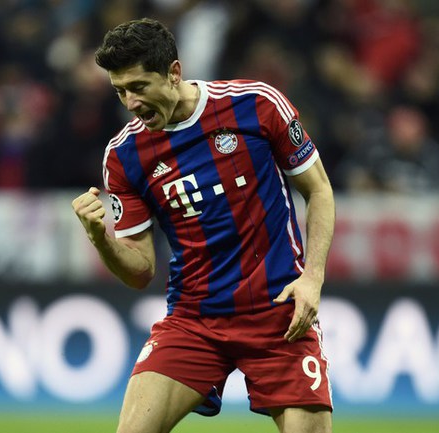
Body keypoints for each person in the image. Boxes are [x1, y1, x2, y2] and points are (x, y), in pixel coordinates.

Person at [71, 18, 335, 433]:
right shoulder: (124, 156)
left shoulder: (256, 104)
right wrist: (99, 237)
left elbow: (318, 190)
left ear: (174, 73)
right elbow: (140, 271)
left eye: (139, 87)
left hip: (280, 313)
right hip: (195, 319)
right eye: (120, 91)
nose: (131, 103)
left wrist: (313, 278)